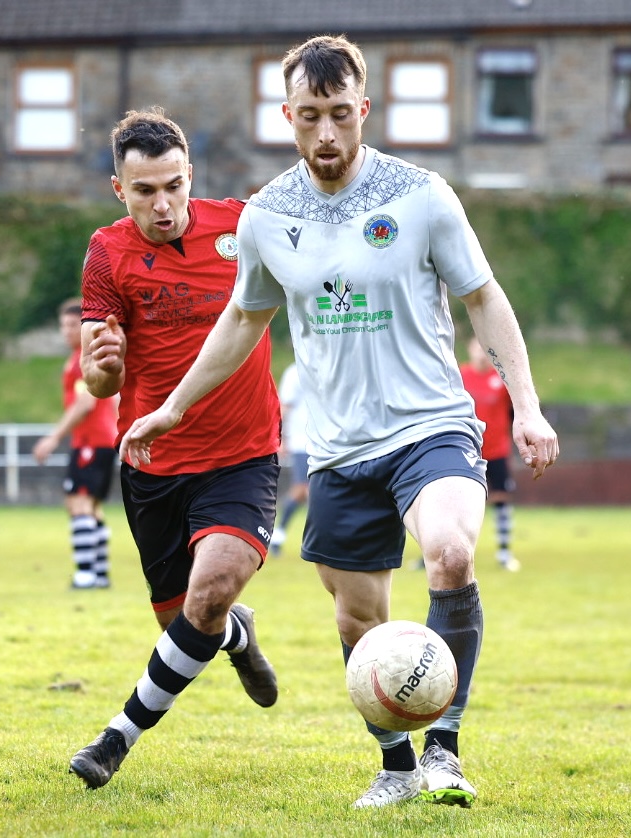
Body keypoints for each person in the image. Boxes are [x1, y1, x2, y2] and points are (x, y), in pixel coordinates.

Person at [120, 35, 559, 809]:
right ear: (287, 115)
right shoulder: (265, 214)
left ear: (364, 109)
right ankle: (394, 764)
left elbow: (483, 297)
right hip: (338, 449)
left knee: (450, 554)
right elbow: (240, 321)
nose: (326, 135)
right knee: (360, 623)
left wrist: (525, 403)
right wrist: (173, 407)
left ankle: (445, 754)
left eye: (339, 116)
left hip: (430, 427)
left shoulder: (421, 194)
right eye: (309, 117)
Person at [66, 108, 282, 791]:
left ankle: (115, 737)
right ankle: (237, 637)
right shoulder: (106, 253)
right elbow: (102, 381)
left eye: (173, 186)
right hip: (153, 465)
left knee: (209, 591)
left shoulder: (245, 225)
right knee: (189, 618)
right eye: (143, 192)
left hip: (243, 453)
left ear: (191, 176)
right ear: (117, 190)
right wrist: (103, 365)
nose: (163, 205)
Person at [33, 298, 120, 590]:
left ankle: (86, 575)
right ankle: (100, 573)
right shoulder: (82, 357)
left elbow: (86, 402)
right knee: (91, 506)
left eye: (72, 325)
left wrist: (53, 437)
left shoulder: (83, 359)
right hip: (102, 440)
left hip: (91, 440)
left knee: (78, 502)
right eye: (63, 325)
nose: (66, 331)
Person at [459, 334, 521, 572]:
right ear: (470, 348)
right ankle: (437, 555)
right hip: (465, 450)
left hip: (496, 450)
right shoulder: (459, 376)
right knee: (450, 501)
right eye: (477, 347)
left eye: (486, 348)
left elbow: (515, 413)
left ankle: (505, 554)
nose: (481, 352)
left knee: (502, 499)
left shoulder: (502, 380)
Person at [269, 362, 309, 557]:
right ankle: (278, 536)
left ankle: (278, 536)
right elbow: (284, 407)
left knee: (306, 491)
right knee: (304, 490)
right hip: (303, 442)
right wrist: (281, 437)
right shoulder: (294, 372)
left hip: (328, 443)